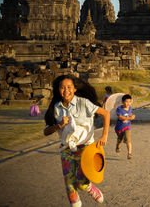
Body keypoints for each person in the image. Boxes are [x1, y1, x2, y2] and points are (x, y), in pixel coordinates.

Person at [44, 74, 110, 207]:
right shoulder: (56, 108)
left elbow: (106, 114)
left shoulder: (83, 103)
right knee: (69, 184)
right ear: (58, 90)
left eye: (69, 87)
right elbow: (46, 131)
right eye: (62, 88)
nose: (66, 90)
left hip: (85, 149)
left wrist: (104, 136)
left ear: (75, 89)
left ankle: (90, 188)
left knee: (81, 182)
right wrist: (59, 125)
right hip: (67, 149)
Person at [115, 94, 135, 160]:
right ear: (123, 102)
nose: (128, 103)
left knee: (128, 140)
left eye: (129, 102)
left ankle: (129, 153)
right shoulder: (119, 109)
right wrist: (129, 118)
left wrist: (132, 116)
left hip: (127, 127)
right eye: (126, 101)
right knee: (120, 139)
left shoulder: (130, 108)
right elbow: (120, 117)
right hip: (119, 127)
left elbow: (130, 114)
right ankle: (118, 146)